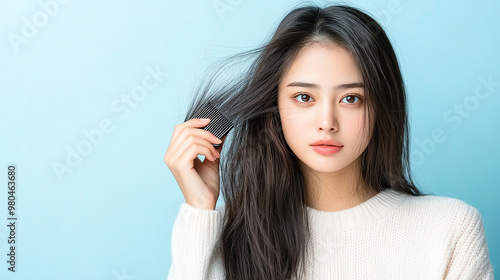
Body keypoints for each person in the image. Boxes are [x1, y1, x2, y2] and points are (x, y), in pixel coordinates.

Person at [164, 3, 494, 280]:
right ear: (274, 106)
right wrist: (199, 210)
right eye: (304, 97)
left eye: (351, 99)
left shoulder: (448, 229)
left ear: (381, 106)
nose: (327, 123)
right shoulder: (221, 239)